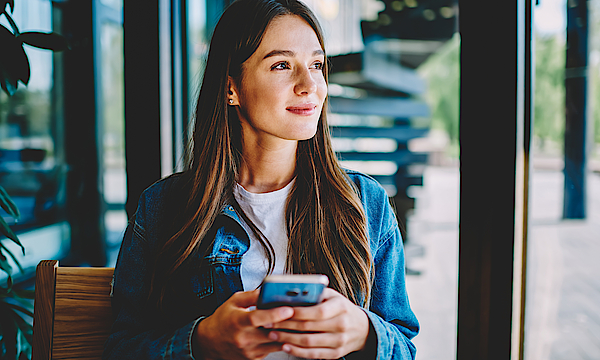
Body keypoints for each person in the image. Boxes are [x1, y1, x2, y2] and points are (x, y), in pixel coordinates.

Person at [103, 0, 419, 359]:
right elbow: (121, 349)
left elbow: (404, 345)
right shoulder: (163, 208)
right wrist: (201, 341)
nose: (310, 85)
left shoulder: (365, 202)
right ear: (230, 88)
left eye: (316, 65)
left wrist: (365, 333)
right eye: (282, 65)